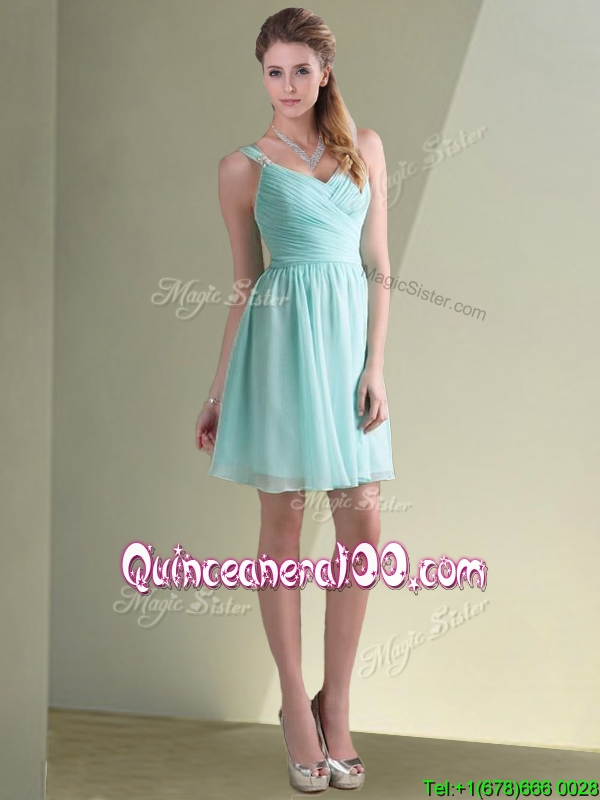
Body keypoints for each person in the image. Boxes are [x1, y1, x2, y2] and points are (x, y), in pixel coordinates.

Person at [196, 7, 395, 793]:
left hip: (348, 357)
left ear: (324, 72)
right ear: (263, 76)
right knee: (282, 527)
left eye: (300, 71)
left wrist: (377, 366)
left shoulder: (365, 149)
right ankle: (293, 706)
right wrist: (218, 391)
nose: (287, 85)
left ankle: (334, 703)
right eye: (274, 72)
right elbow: (244, 283)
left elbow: (379, 267)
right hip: (278, 354)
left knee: (362, 525)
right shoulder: (242, 168)